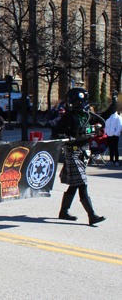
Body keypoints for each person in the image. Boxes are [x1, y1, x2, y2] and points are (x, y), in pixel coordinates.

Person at [55, 88, 105, 225]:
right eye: (75, 101)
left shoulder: (87, 115)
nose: (77, 104)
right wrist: (67, 137)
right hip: (73, 152)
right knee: (82, 183)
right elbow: (56, 133)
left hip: (84, 153)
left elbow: (104, 118)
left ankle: (63, 212)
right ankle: (92, 215)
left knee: (74, 185)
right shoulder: (69, 117)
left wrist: (113, 104)